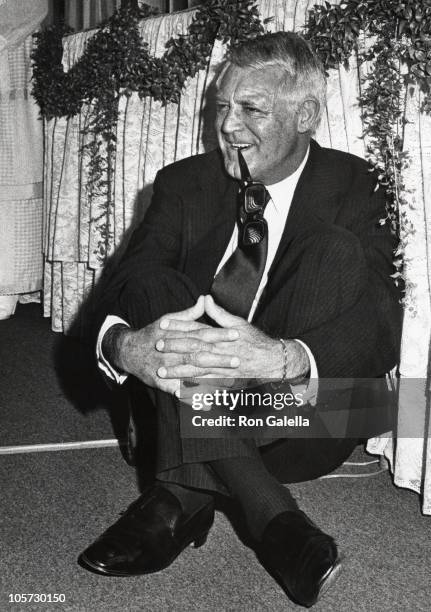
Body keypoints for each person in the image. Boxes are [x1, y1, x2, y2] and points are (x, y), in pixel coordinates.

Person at [79, 32, 401, 607]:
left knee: (337, 255)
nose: (229, 126)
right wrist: (127, 347)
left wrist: (283, 357)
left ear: (306, 115)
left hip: (303, 415)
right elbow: (123, 290)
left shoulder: (360, 185)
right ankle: (272, 517)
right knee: (154, 282)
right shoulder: (183, 183)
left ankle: (178, 494)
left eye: (251, 109)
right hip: (181, 395)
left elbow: (381, 317)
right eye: (222, 107)